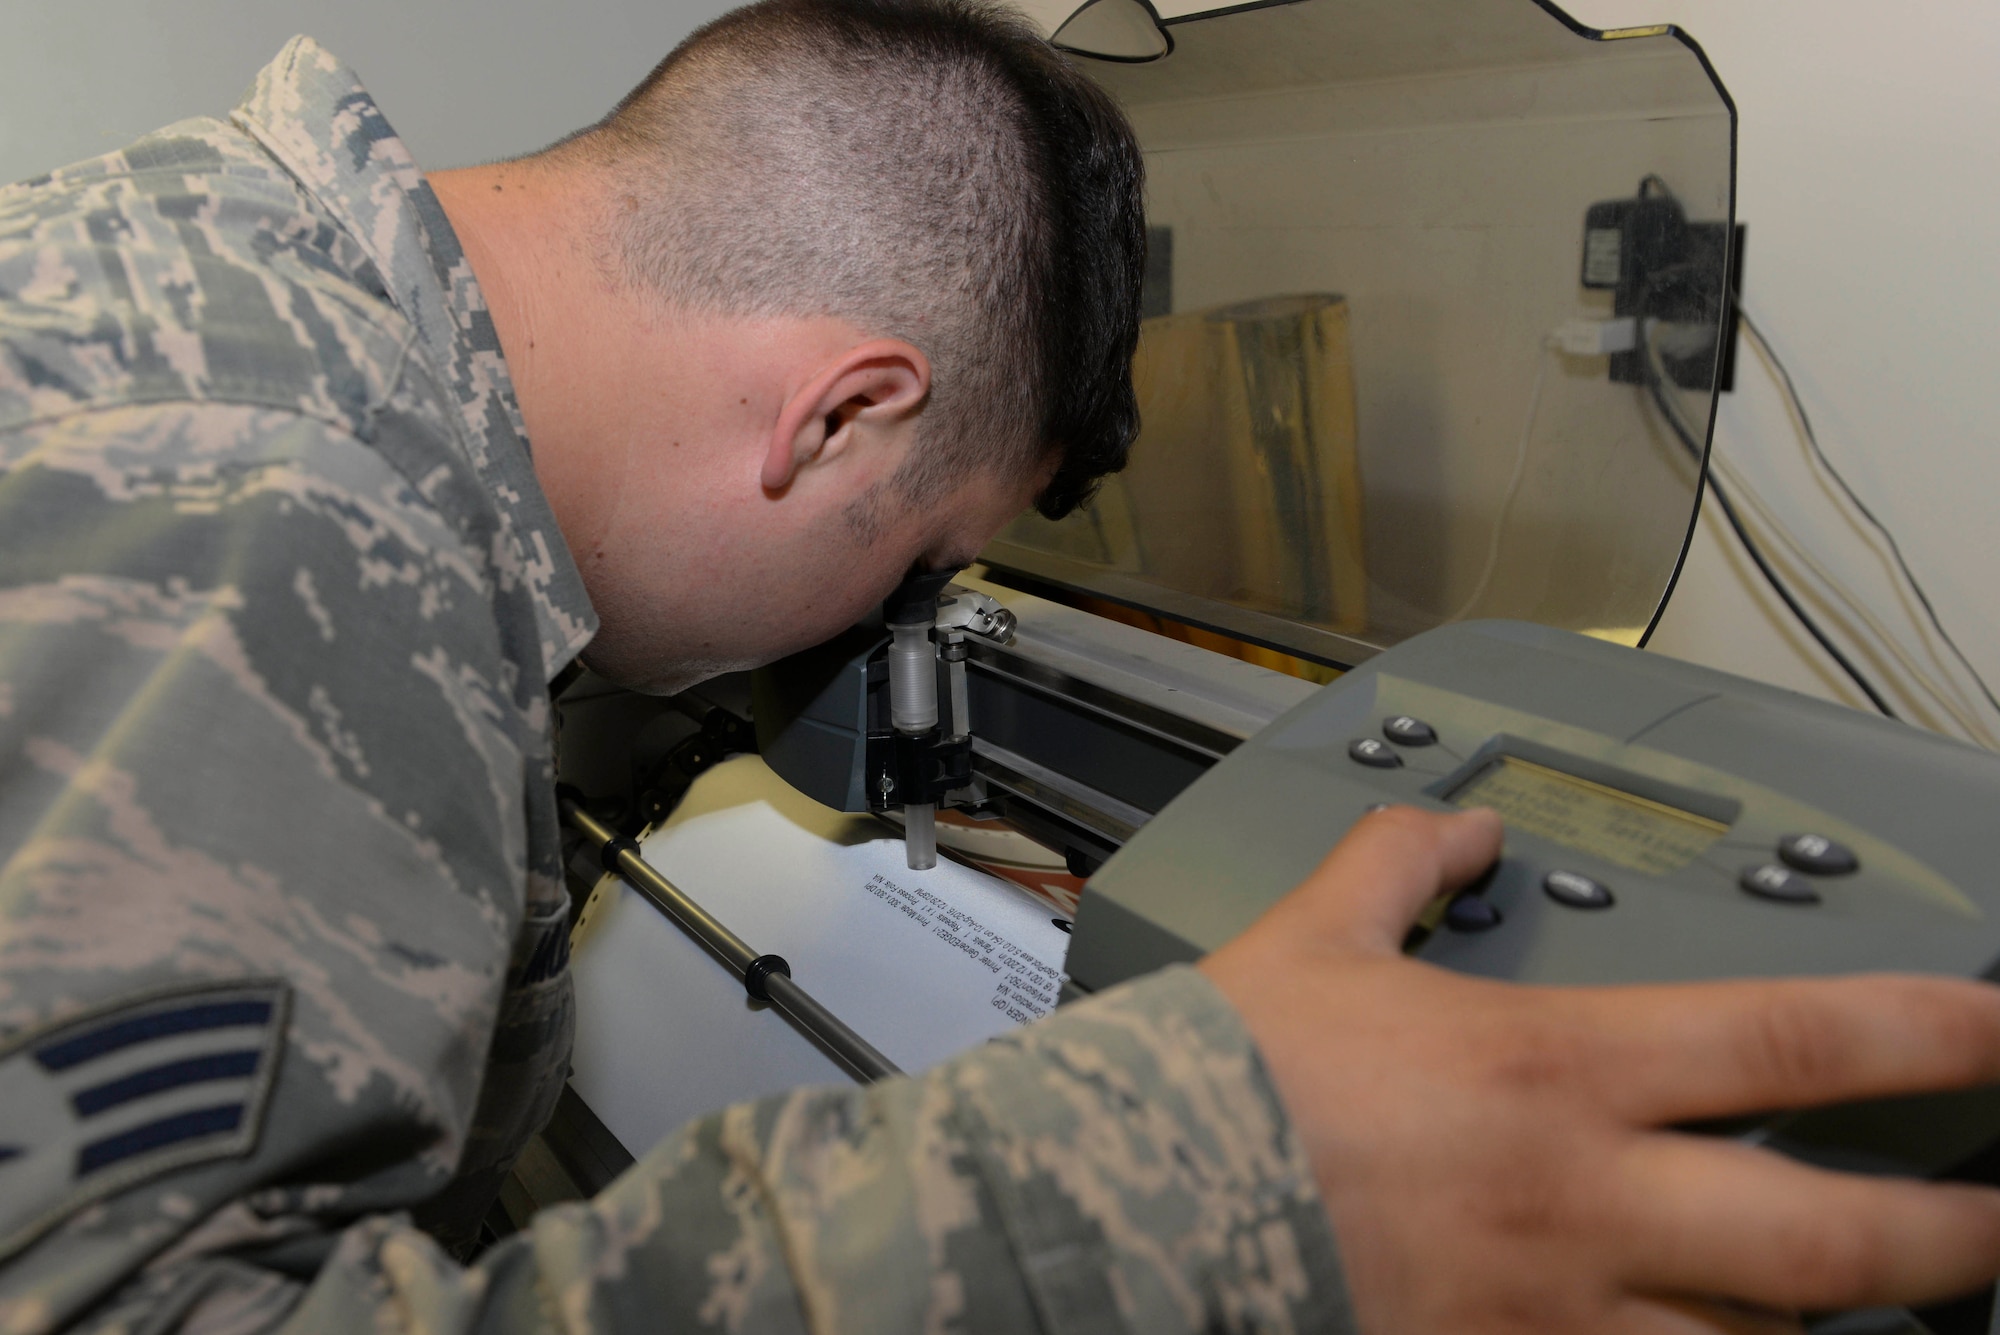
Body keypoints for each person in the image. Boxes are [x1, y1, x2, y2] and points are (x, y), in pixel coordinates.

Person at [3, 1, 2000, 1331]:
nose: (893, 625)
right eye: (924, 556)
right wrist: (1188, 1173)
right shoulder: (272, 515)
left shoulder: (205, 292)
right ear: (835, 421)